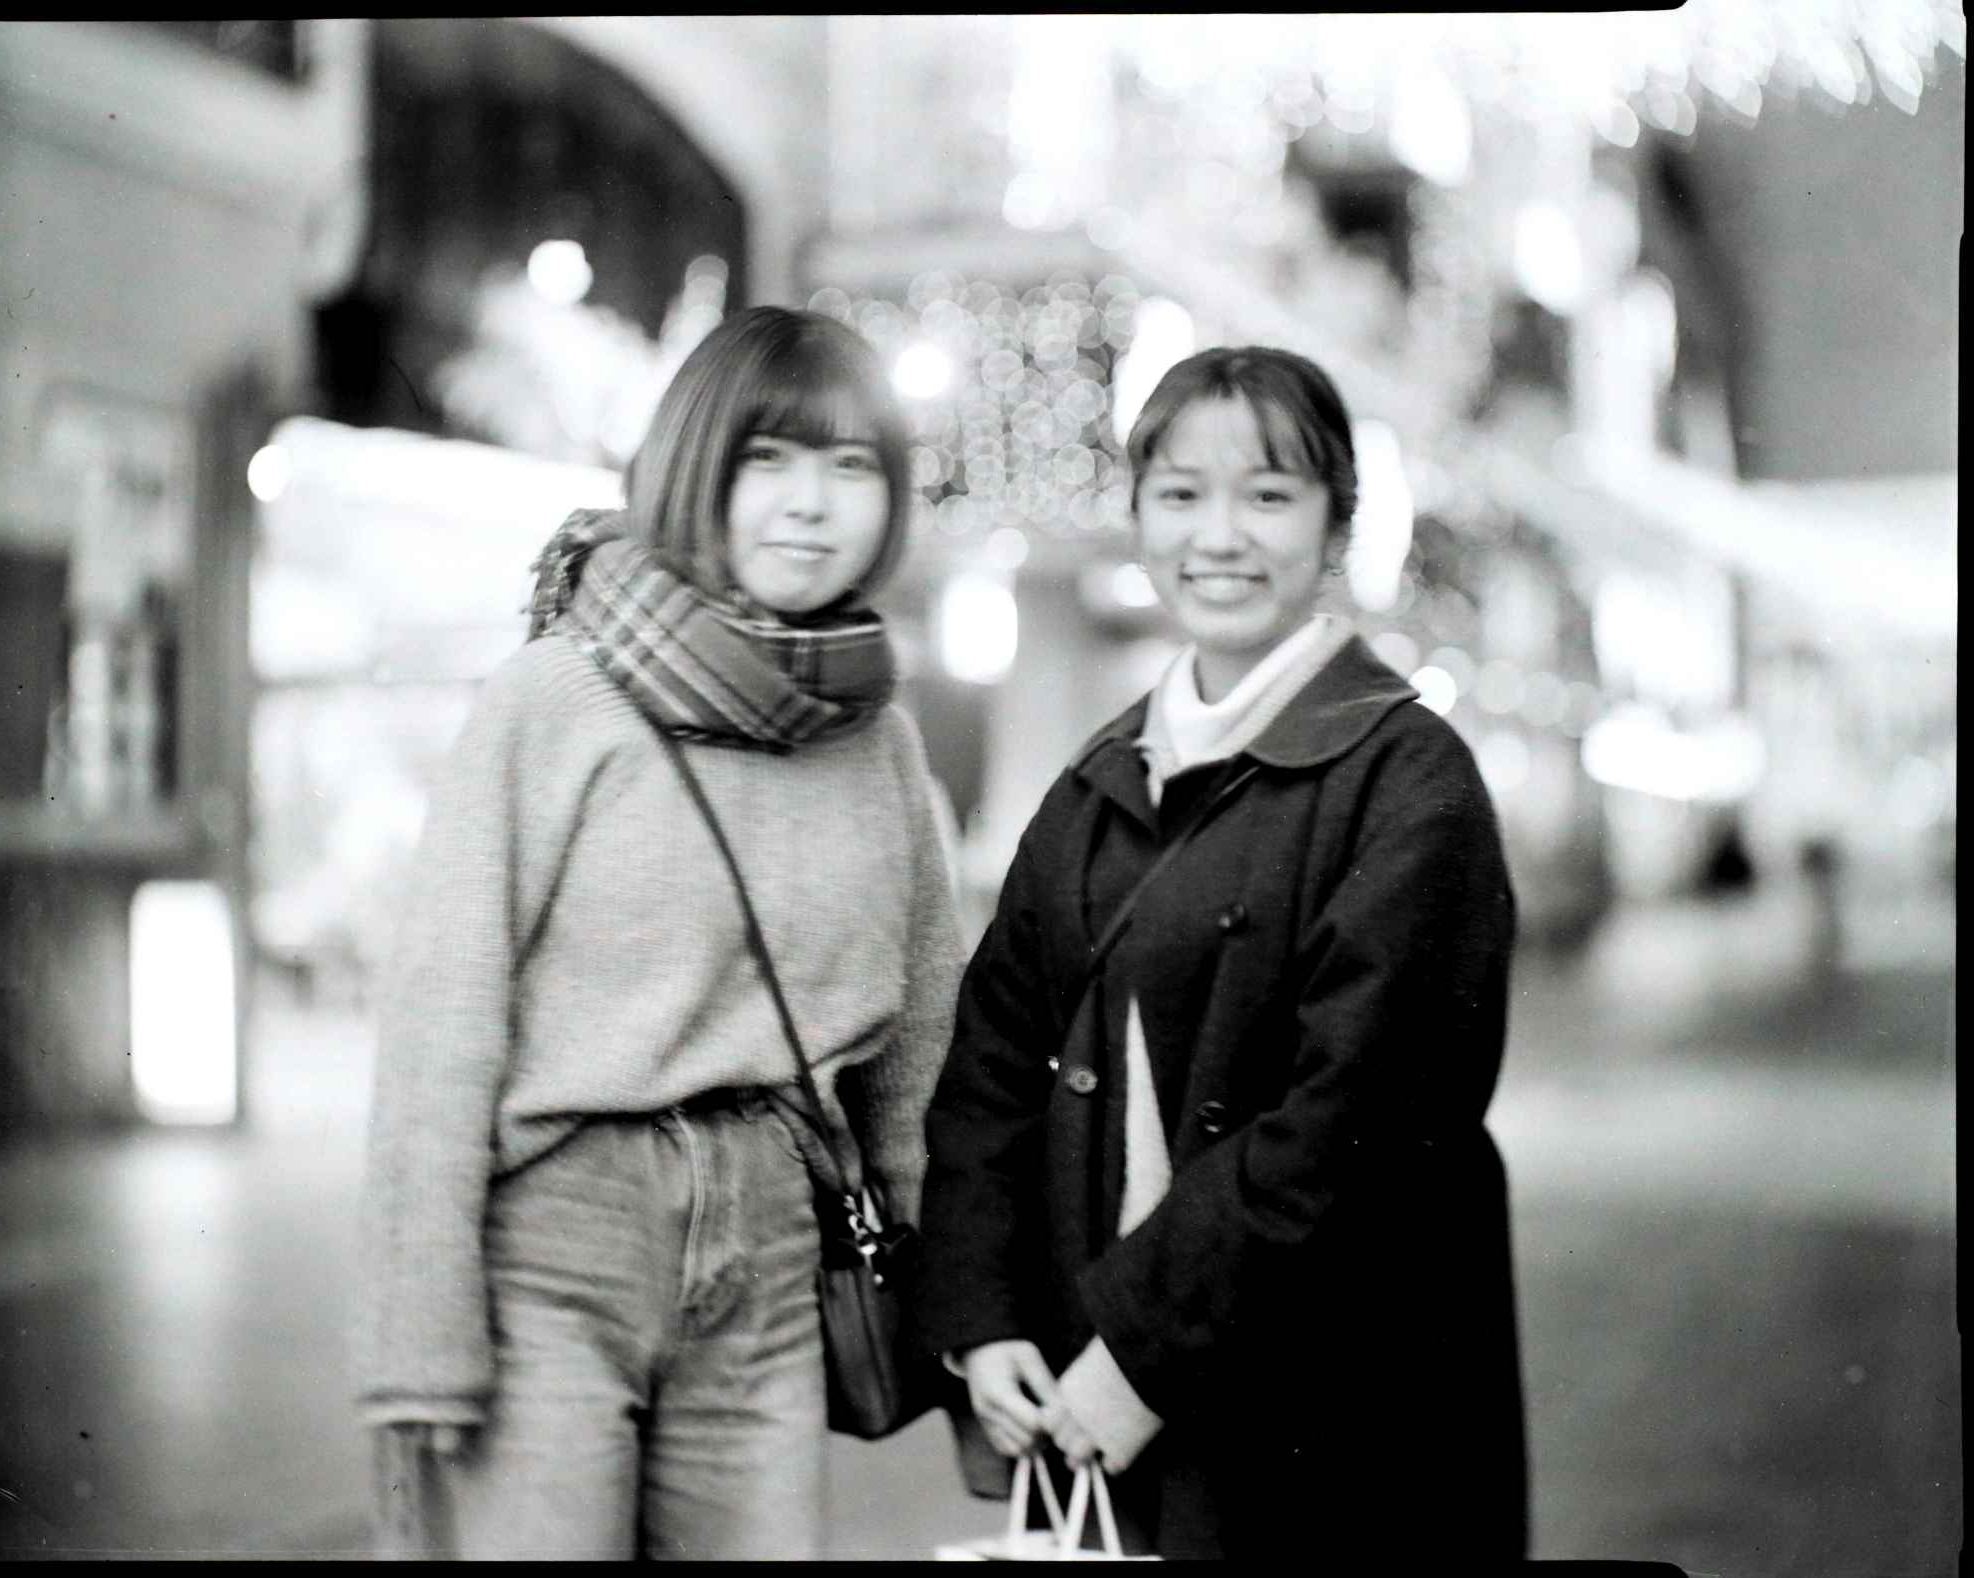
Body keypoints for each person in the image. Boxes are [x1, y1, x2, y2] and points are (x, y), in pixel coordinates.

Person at [355, 306, 964, 1560]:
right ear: (693, 468)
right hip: (552, 1243)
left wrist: (961, 1312)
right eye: (765, 459)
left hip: (772, 1245)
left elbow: (917, 1055)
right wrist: (418, 1336)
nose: (809, 504)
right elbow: (440, 1023)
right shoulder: (557, 696)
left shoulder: (879, 738)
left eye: (850, 466)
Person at [916, 345, 1527, 1561]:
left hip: (1335, 1419)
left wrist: (1136, 1355)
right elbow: (988, 1071)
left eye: (1268, 495)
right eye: (1181, 494)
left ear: (1336, 525)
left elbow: (1353, 1129)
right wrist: (984, 1319)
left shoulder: (1410, 784)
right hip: (1099, 1405)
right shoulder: (1098, 784)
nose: (1219, 536)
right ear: (1139, 516)